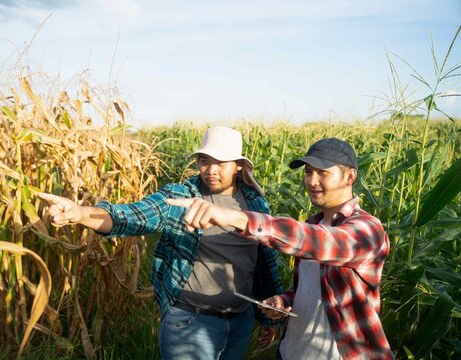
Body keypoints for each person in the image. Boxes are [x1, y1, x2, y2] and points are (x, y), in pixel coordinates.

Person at [38, 126, 284, 360]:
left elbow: (264, 264)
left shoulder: (255, 205)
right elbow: (132, 216)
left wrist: (270, 319)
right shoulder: (181, 197)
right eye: (204, 161)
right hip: (190, 321)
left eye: (221, 163)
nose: (211, 170)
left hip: (241, 321)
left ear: (238, 166)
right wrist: (81, 213)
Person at [168, 137, 393, 359]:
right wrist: (284, 301)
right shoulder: (313, 223)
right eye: (308, 172)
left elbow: (321, 241)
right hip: (291, 351)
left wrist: (235, 218)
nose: (312, 181)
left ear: (349, 176)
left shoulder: (367, 230)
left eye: (322, 173)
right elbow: (313, 289)